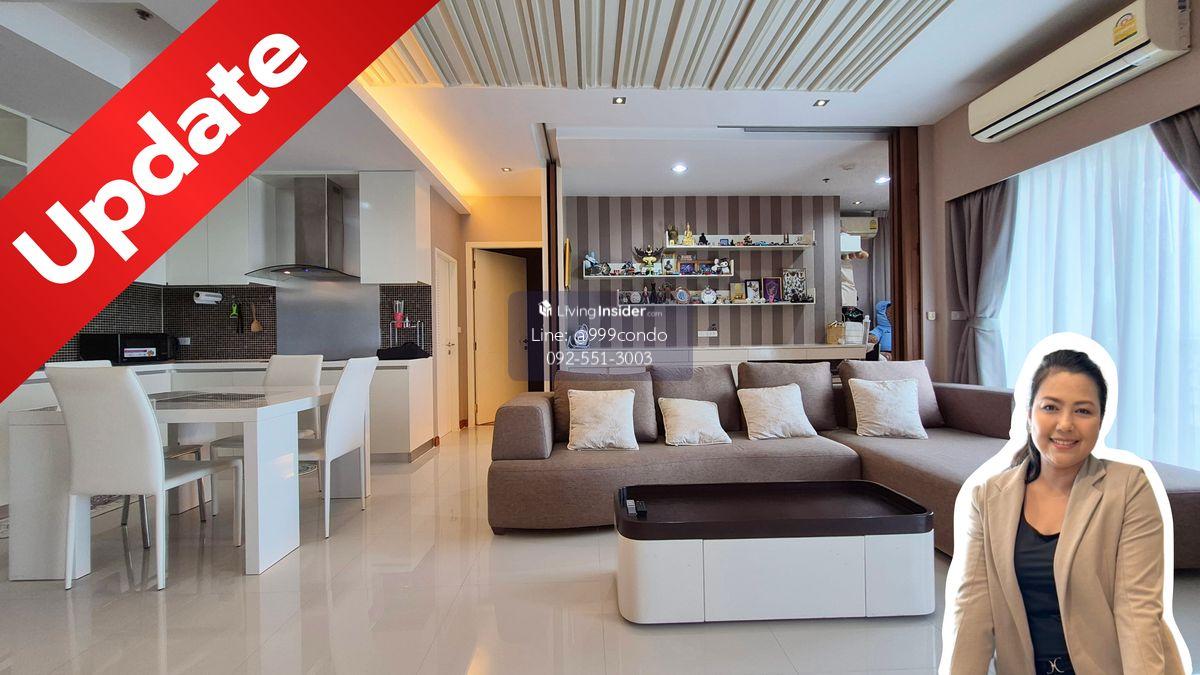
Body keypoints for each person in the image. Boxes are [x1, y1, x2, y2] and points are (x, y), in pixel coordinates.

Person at [944, 347, 1186, 675]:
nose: (1066, 424)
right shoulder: (988, 497)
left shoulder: (1129, 488)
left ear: (1101, 421)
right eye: (1051, 407)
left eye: (1083, 411)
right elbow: (972, 615)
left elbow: (1138, 614)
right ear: (1029, 414)